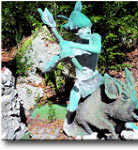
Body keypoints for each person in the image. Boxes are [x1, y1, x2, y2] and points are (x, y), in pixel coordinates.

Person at [38, 1, 104, 136]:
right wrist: (60, 57)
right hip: (81, 83)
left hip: (96, 79)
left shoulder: (95, 38)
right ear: (75, 31)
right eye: (83, 29)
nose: (88, 31)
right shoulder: (71, 48)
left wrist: (72, 44)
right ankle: (68, 126)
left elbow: (96, 49)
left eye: (89, 27)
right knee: (72, 107)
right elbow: (48, 68)